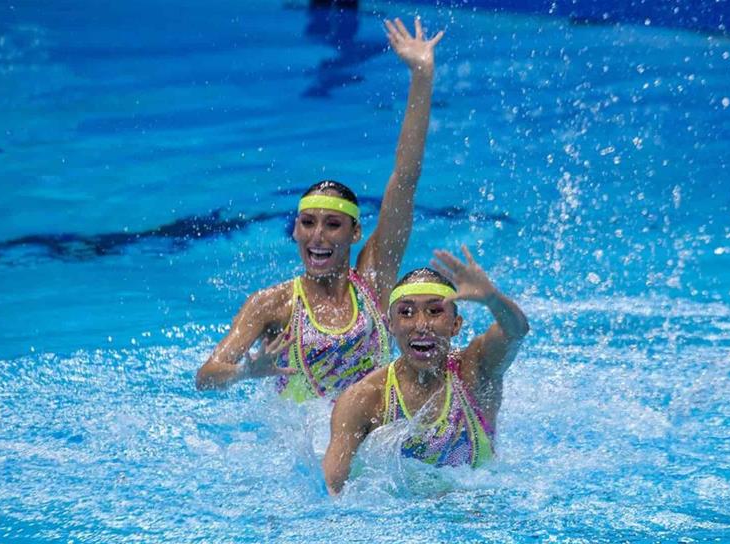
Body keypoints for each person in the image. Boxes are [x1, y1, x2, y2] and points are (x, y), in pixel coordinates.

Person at [196, 17, 445, 402]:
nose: (317, 236)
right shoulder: (272, 304)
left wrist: (421, 76)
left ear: (355, 233)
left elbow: (405, 178)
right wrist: (248, 370)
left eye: (332, 225)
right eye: (307, 223)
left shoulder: (375, 279)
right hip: (301, 445)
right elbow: (207, 376)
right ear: (294, 231)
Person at [322, 246, 530, 494]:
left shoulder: (475, 372)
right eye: (406, 313)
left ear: (455, 325)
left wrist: (492, 299)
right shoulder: (365, 400)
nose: (421, 325)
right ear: (390, 325)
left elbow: (516, 331)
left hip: (477, 516)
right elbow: (333, 490)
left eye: (434, 311)